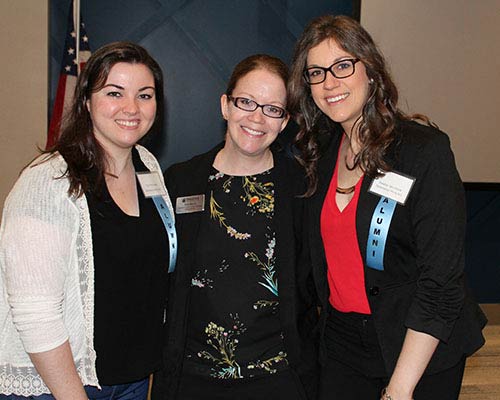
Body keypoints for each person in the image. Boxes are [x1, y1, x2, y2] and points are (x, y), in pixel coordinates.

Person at [287, 15, 487, 400]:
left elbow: (440, 283)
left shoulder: (422, 152)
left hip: (419, 343)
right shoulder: (320, 154)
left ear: (371, 71)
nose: (330, 83)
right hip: (343, 344)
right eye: (316, 72)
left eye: (343, 65)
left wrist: (399, 388)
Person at [0, 42, 175, 399]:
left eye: (145, 95)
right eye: (114, 93)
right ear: (86, 102)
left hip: (131, 380)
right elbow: (36, 315)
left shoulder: (148, 165)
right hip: (60, 387)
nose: (131, 108)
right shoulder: (47, 181)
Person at [152, 54, 318, 400]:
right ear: (225, 105)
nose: (257, 118)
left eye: (273, 109)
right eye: (246, 102)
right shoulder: (182, 180)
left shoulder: (301, 187)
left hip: (278, 378)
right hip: (192, 379)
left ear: (285, 121)